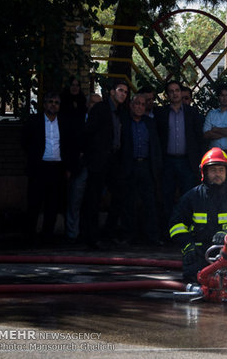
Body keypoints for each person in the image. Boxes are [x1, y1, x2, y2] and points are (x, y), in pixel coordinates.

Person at [168, 147, 227, 295]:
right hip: (199, 251)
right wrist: (188, 246)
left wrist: (226, 235)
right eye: (213, 170)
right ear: (204, 172)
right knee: (192, 267)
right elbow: (176, 224)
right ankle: (196, 287)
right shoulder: (192, 197)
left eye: (221, 170)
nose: (217, 174)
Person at [81, 81, 129, 249]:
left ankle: (109, 232)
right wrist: (90, 156)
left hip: (114, 159)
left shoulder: (121, 112)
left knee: (120, 194)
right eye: (120, 90)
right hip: (99, 159)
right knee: (93, 198)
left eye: (125, 91)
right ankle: (91, 237)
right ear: (111, 92)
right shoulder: (100, 109)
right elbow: (88, 133)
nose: (123, 94)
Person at [22, 91, 75, 244]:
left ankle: (47, 237)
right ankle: (29, 237)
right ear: (44, 104)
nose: (53, 104)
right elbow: (25, 142)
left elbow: (68, 145)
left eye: (56, 102)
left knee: (52, 204)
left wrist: (67, 167)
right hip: (39, 168)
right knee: (34, 202)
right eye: (50, 101)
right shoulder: (34, 121)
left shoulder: (64, 122)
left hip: (57, 168)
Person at [155, 81, 205, 227]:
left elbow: (198, 138)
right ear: (167, 95)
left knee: (188, 197)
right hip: (168, 162)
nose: (175, 93)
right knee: (166, 197)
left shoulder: (192, 112)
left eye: (177, 90)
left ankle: (188, 230)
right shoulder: (161, 113)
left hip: (186, 162)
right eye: (171, 91)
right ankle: (168, 231)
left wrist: (198, 160)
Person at [121, 93, 163, 245]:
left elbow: (156, 146)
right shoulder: (124, 121)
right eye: (136, 104)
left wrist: (156, 167)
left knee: (150, 202)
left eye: (142, 104)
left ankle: (152, 236)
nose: (139, 107)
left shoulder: (150, 123)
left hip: (146, 165)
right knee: (128, 202)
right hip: (129, 165)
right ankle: (128, 235)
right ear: (131, 105)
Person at [64, 93, 102, 242]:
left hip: (97, 166)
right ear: (87, 104)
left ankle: (89, 233)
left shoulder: (103, 121)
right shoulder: (77, 120)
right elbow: (70, 142)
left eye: (98, 104)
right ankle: (72, 234)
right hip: (80, 166)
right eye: (92, 103)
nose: (94, 106)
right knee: (75, 200)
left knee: (93, 202)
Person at [203, 84, 227, 182]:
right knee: (214, 182)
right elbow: (206, 134)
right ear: (218, 97)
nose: (224, 98)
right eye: (222, 95)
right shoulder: (212, 114)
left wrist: (215, 129)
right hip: (214, 154)